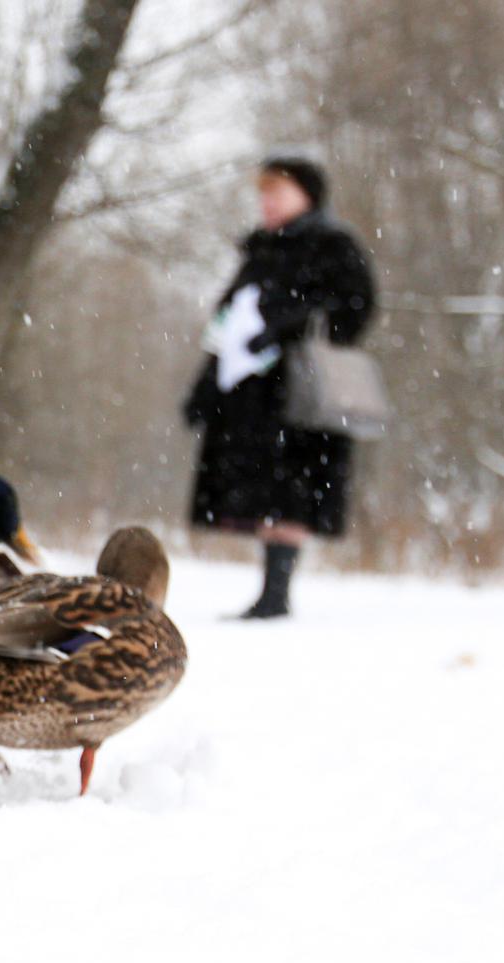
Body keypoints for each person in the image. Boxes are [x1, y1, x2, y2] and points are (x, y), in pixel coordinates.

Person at [184, 155, 376, 619]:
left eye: (278, 192)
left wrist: (292, 325)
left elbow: (356, 306)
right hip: (252, 395)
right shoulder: (259, 251)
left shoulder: (333, 246)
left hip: (302, 394)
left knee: (293, 491)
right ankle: (270, 591)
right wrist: (206, 386)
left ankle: (276, 593)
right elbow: (226, 324)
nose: (268, 202)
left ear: (307, 196)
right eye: (264, 193)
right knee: (263, 491)